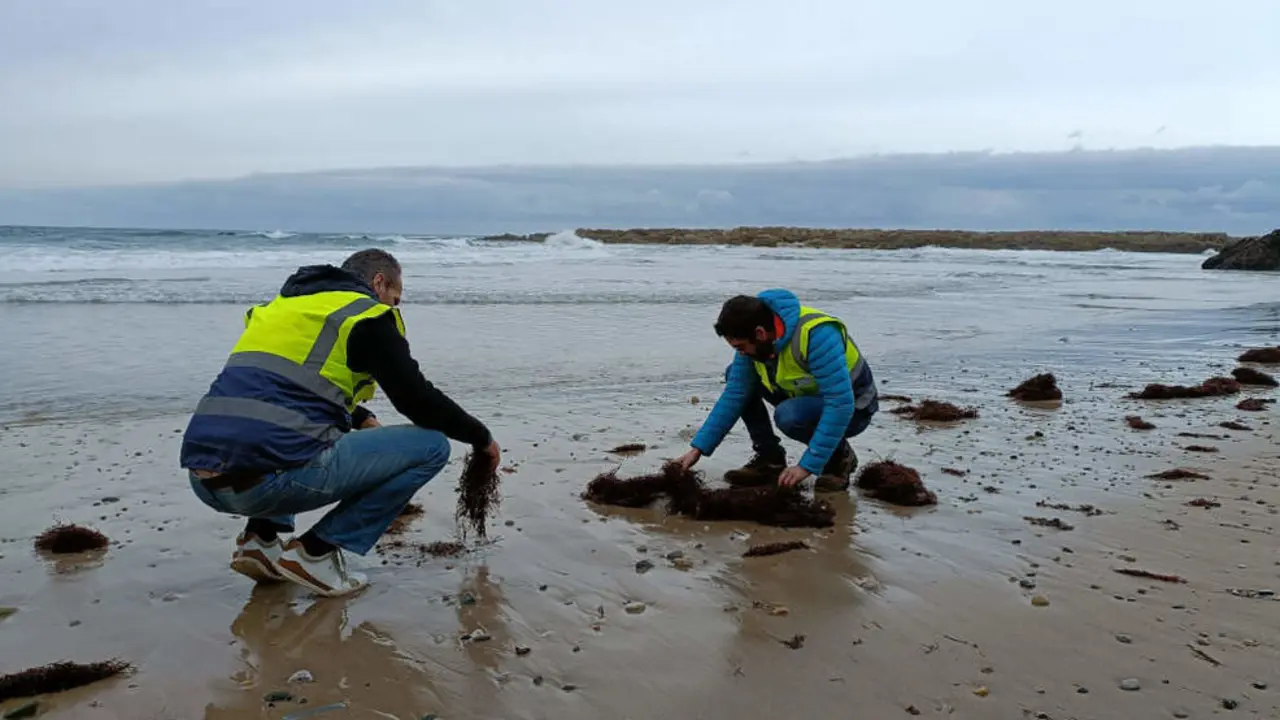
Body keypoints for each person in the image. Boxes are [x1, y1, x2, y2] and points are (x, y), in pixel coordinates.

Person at [179, 249, 500, 597]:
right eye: (395, 299)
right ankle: (316, 553)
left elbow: (286, 386)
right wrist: (481, 439)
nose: (394, 307)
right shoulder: (367, 316)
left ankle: (260, 540)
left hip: (204, 480)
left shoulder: (282, 308)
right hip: (268, 485)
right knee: (432, 447)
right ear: (379, 282)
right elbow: (418, 401)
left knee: (283, 431)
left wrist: (361, 417)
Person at [676, 289, 878, 492]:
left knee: (789, 415)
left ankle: (838, 458)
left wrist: (807, 466)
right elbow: (735, 395)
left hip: (855, 408)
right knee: (735, 376)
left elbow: (840, 404)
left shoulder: (817, 334)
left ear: (760, 334)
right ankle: (769, 459)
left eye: (740, 347)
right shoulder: (756, 337)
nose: (741, 353)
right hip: (803, 398)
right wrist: (698, 449)